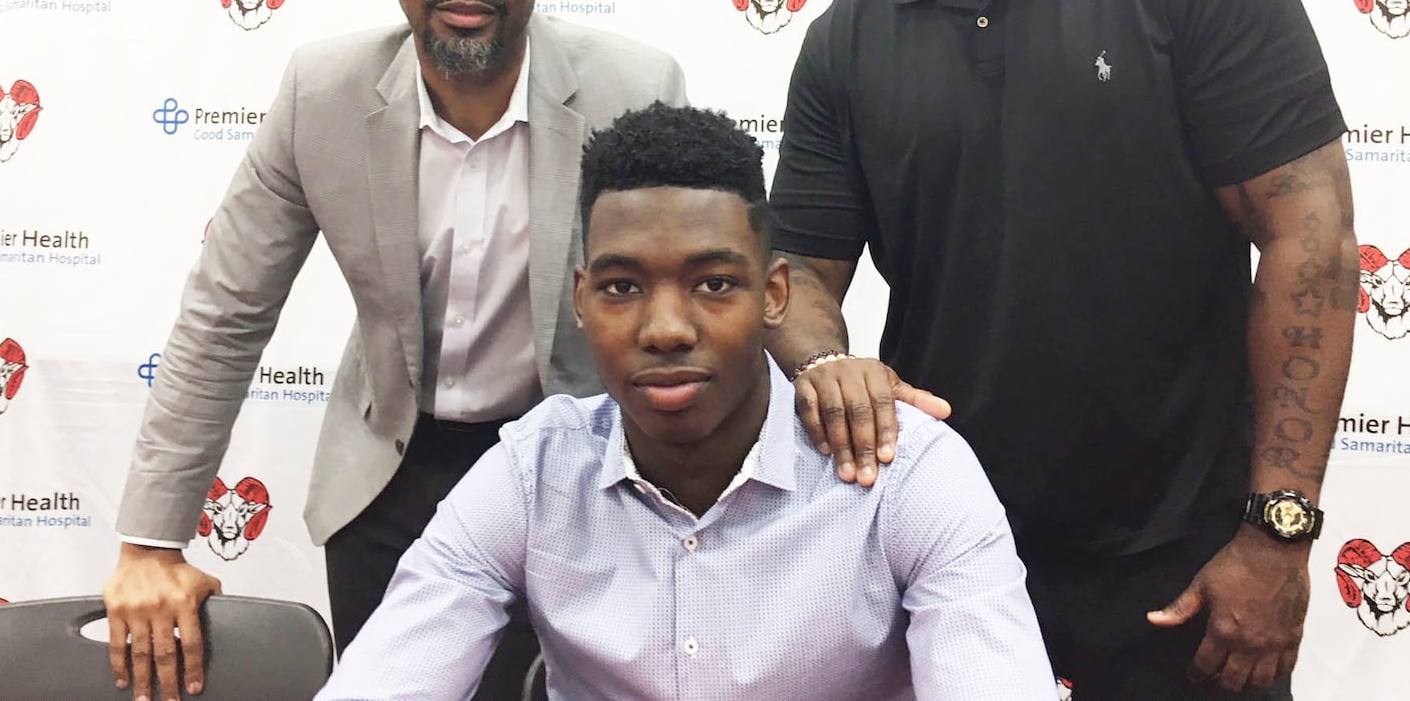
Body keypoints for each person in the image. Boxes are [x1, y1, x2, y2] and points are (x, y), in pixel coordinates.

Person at [765, 0, 1358, 701]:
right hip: (944, 555)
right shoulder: (846, 37)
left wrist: (1279, 533)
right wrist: (828, 359)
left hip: (1185, 566)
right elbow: (794, 274)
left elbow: (1312, 239)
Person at [103, 0, 687, 701]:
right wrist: (150, 541)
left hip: (575, 465)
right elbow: (225, 314)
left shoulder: (634, 91)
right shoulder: (320, 94)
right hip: (391, 472)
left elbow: (694, 311)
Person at [315, 103, 1058, 700]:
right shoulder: (533, 472)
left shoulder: (904, 471)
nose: (665, 329)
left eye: (713, 283)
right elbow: (392, 670)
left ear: (774, 295)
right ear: (581, 300)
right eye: (621, 287)